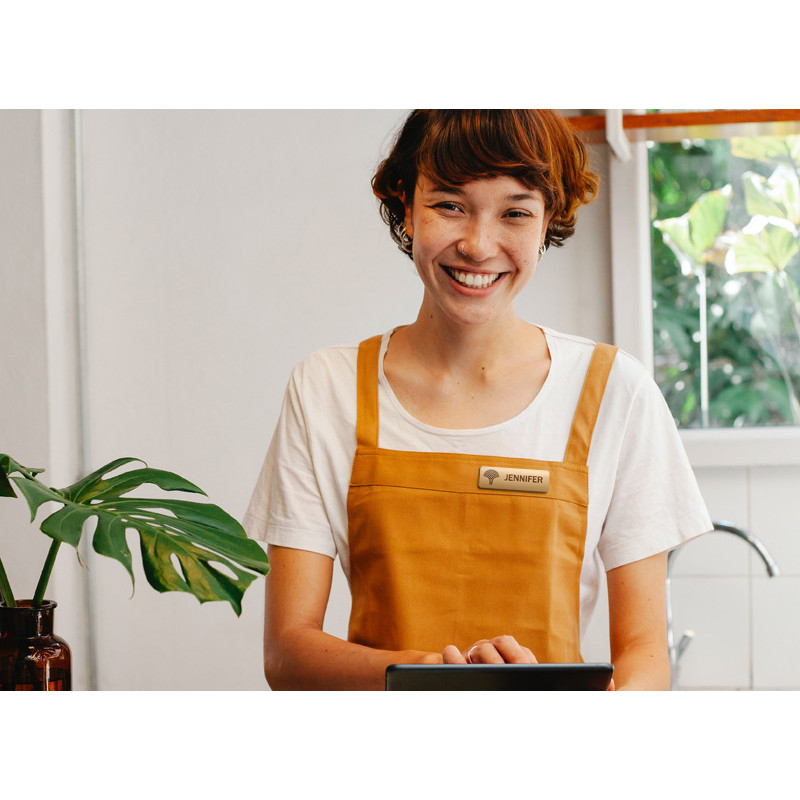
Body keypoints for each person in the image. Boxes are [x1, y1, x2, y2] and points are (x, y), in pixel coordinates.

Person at [244, 109, 712, 690]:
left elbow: (645, 655)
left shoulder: (615, 391)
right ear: (405, 204)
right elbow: (287, 654)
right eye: (449, 205)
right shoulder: (326, 388)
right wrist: (432, 678)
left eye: (515, 212)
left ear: (549, 221)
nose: (478, 244)